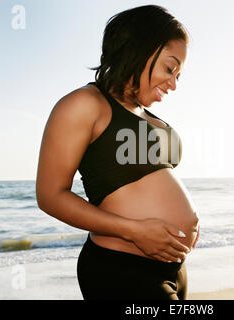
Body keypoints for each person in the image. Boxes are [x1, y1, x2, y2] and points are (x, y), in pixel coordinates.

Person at [35, 5, 200, 300]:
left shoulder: (151, 118)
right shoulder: (84, 104)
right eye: (169, 68)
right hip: (122, 271)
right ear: (138, 49)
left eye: (180, 75)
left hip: (174, 269)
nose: (174, 84)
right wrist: (133, 231)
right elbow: (50, 196)